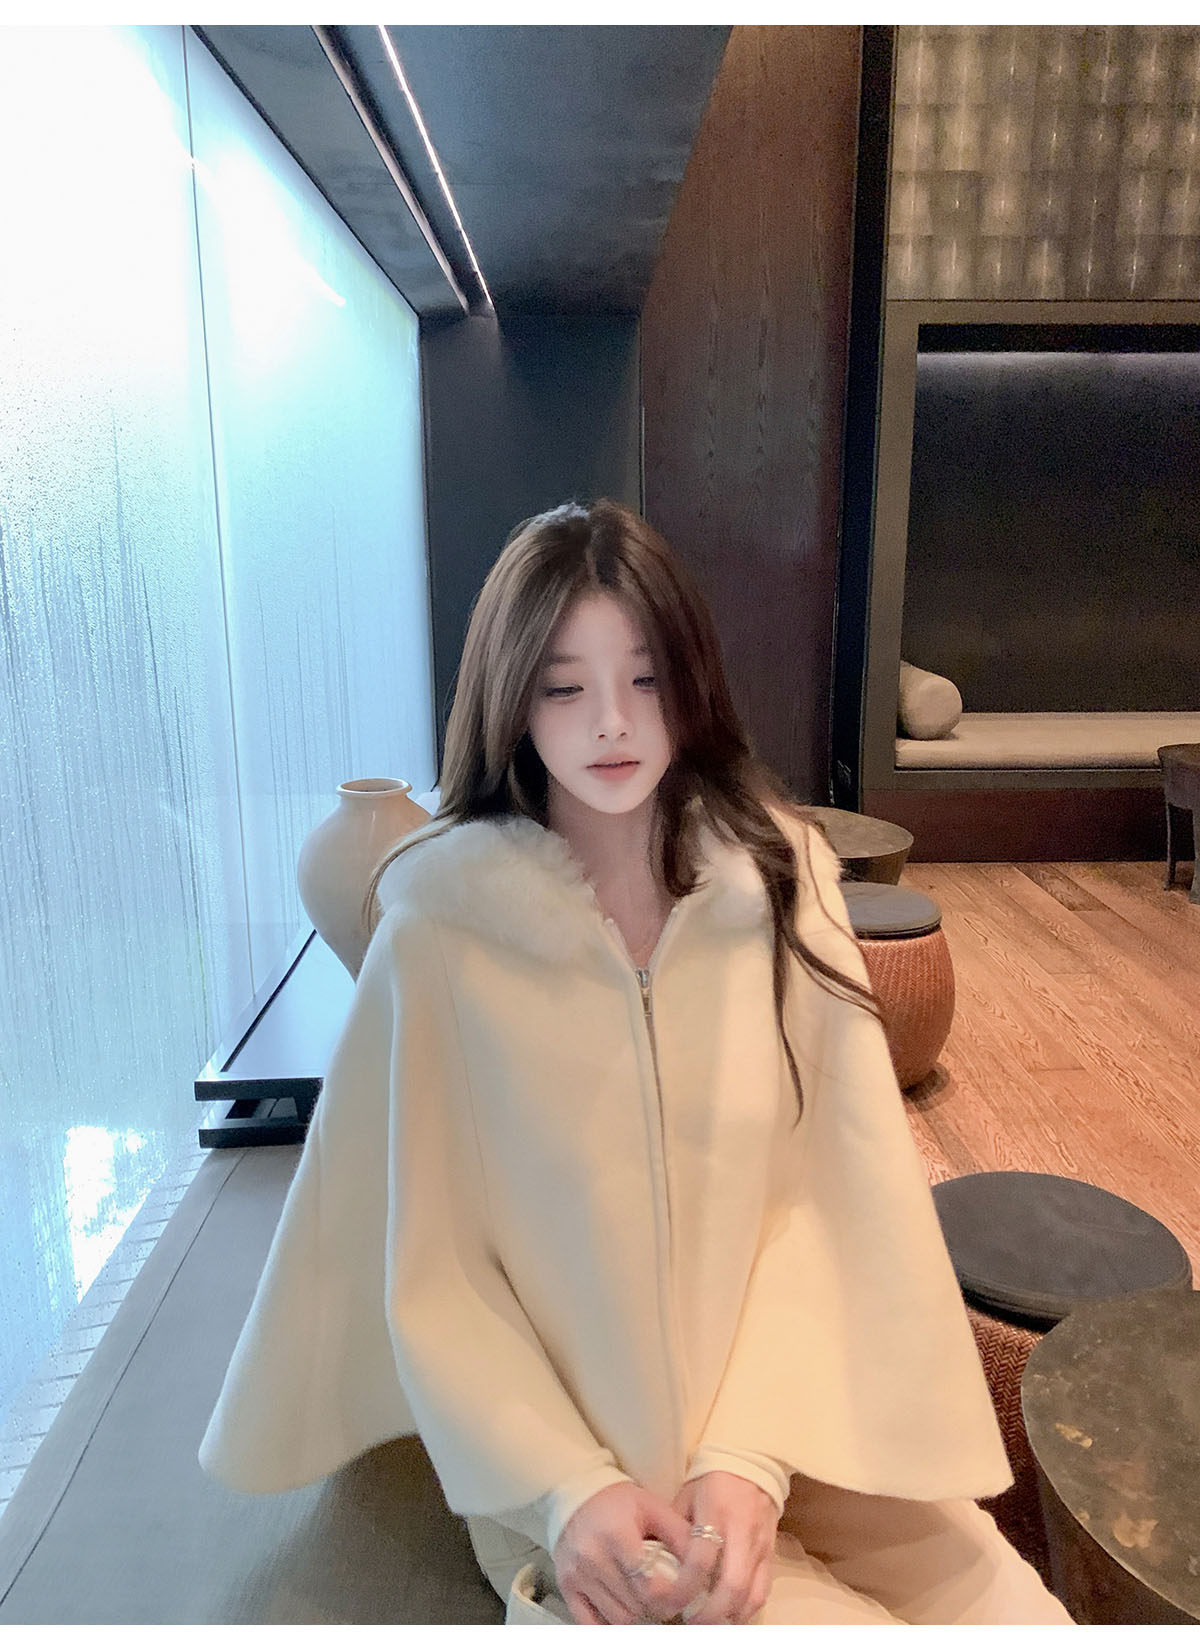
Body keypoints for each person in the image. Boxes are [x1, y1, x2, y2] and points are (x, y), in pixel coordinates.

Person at [199, 500, 1072, 1626]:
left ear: (693, 683)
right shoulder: (443, 934)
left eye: (647, 679)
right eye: (564, 688)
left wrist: (751, 1454)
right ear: (512, 700)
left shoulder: (782, 887)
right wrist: (568, 1490)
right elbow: (433, 1271)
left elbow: (831, 1198)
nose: (612, 723)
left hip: (800, 1433)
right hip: (581, 1487)